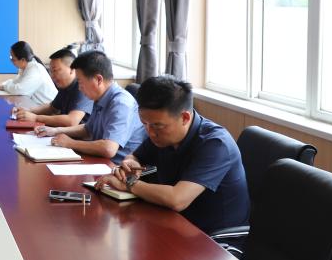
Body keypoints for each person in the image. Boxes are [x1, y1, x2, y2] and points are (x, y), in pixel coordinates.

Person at [95, 75, 250, 234]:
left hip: (214, 237)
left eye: (157, 126)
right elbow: (135, 156)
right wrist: (131, 163)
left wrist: (129, 183)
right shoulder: (161, 134)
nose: (150, 132)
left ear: (184, 118)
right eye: (144, 124)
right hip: (174, 221)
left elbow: (177, 199)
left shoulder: (216, 144)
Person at [35, 51, 145, 163]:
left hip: (116, 166)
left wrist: (70, 143)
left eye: (80, 82)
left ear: (98, 79)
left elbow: (108, 148)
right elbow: (88, 129)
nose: (79, 88)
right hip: (99, 161)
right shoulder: (100, 97)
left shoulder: (121, 103)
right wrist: (55, 131)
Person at [12, 48, 93, 126]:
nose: (52, 76)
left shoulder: (82, 86)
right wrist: (29, 111)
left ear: (72, 69)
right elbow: (52, 108)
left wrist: (36, 118)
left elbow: (71, 121)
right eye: (51, 72)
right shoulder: (64, 86)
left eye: (55, 70)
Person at [0, 40, 58, 106]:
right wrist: (1, 84)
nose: (11, 61)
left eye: (13, 58)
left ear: (22, 60)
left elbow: (20, 90)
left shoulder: (35, 70)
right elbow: (15, 81)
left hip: (49, 110)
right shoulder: (27, 67)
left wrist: (2, 87)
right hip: (38, 106)